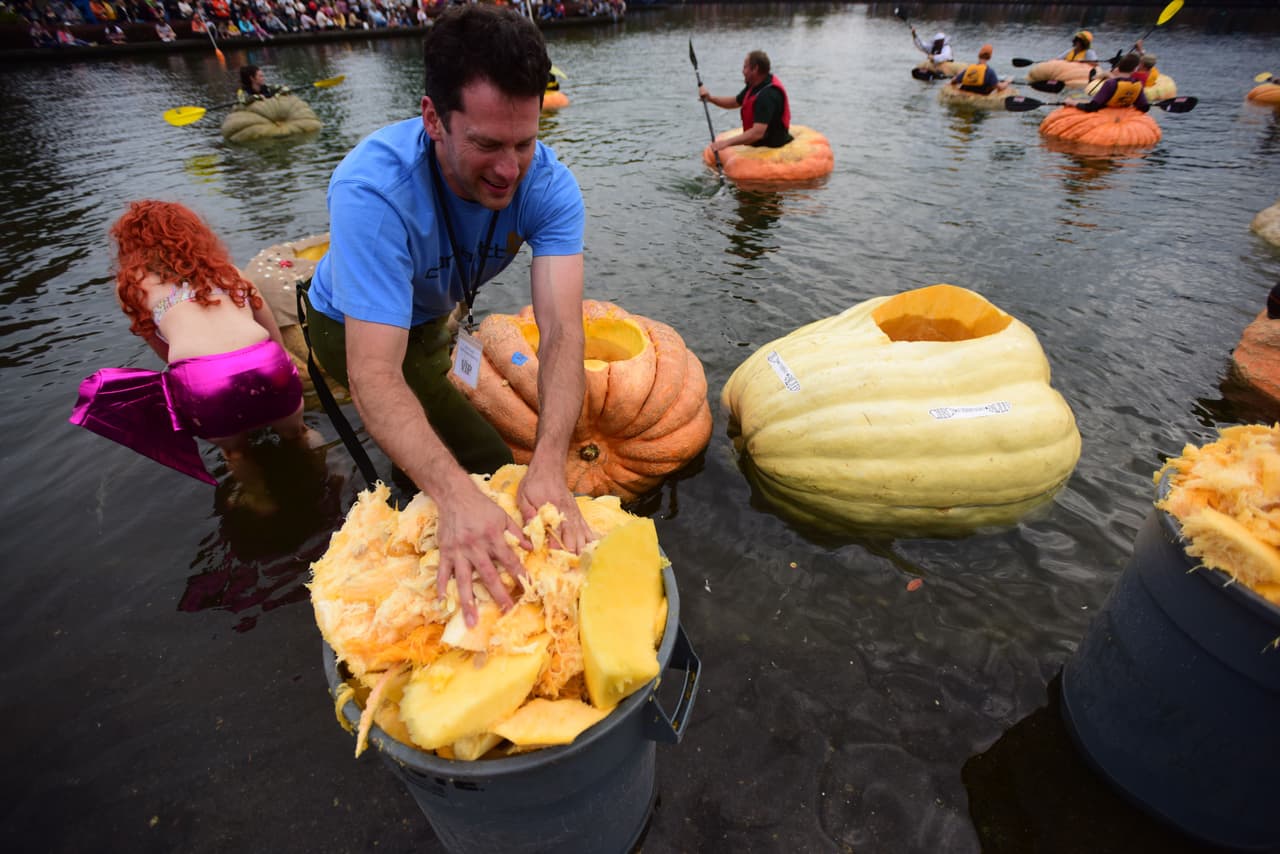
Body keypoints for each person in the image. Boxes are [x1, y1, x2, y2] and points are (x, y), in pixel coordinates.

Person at [302, 4, 592, 626]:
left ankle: (428, 493)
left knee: (509, 467)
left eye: (524, 141)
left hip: (435, 317)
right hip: (348, 324)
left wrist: (550, 463)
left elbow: (565, 332)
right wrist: (459, 495)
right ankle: (429, 533)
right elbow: (375, 374)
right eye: (486, 145)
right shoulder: (373, 192)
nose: (510, 170)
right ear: (433, 118)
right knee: (483, 463)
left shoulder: (549, 184)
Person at [70, 201, 319, 512]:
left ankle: (259, 498)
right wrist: (280, 358)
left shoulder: (133, 287)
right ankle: (328, 471)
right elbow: (265, 318)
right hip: (265, 362)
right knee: (298, 434)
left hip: (205, 381)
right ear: (192, 233)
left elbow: (165, 353)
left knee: (238, 454)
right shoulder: (225, 271)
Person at [698, 49, 793, 152]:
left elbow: (757, 133)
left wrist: (726, 143)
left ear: (755, 69)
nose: (743, 71)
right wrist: (711, 99)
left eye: (745, 67)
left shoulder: (767, 95)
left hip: (772, 148)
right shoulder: (756, 83)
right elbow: (735, 102)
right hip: (759, 145)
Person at [1071, 53, 1149, 113]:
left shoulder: (1110, 83)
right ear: (1134, 70)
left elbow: (1092, 107)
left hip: (1105, 115)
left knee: (1073, 101)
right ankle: (1093, 78)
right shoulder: (1138, 84)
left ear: (1118, 67)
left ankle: (1093, 78)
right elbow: (1144, 107)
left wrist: (1073, 103)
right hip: (1125, 116)